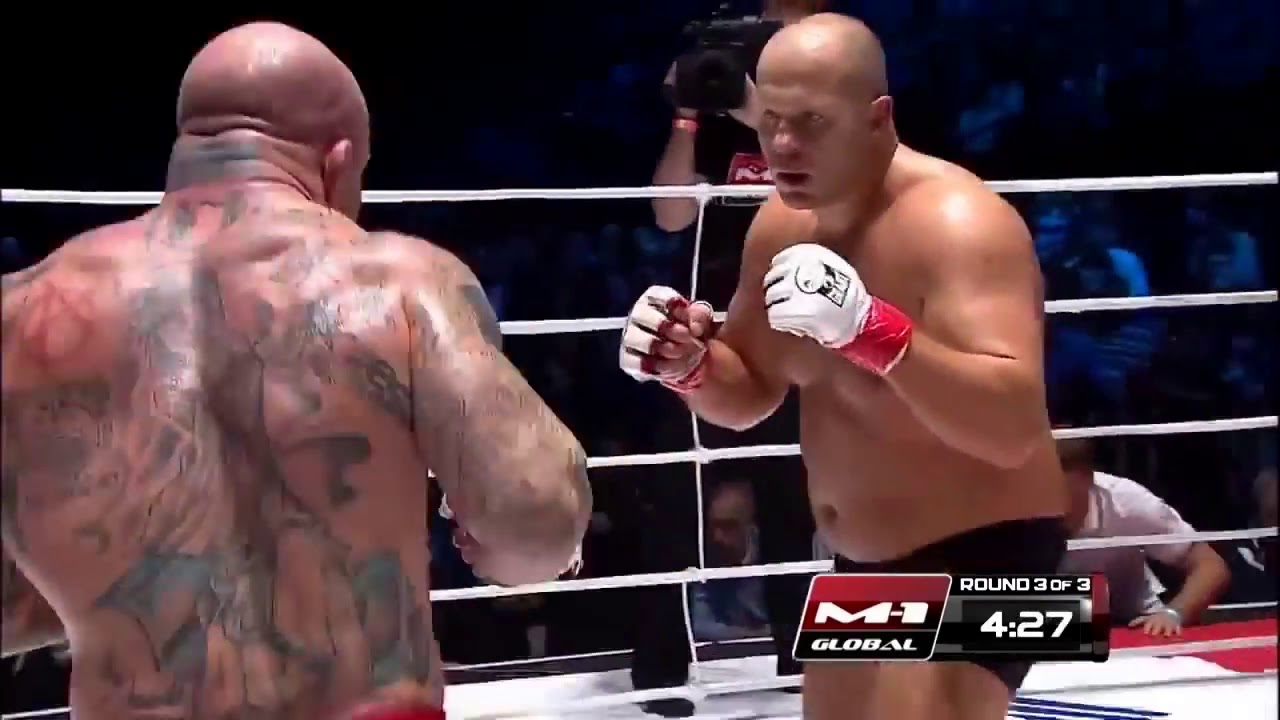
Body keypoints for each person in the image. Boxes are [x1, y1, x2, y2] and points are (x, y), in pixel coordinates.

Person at [0, 22, 590, 720]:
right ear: (339, 161)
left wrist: (123, 581)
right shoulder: (397, 280)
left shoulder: (21, 311)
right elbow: (536, 520)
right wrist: (501, 555)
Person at [621, 14, 1067, 720]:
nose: (783, 146)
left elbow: (1013, 428)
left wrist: (871, 332)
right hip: (861, 555)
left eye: (812, 123)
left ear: (877, 118)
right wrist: (687, 363)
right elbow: (752, 394)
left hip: (993, 549)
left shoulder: (959, 223)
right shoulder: (780, 223)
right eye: (771, 121)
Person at [1056, 438, 1232, 633]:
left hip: (1134, 623)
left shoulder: (1125, 501)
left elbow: (1211, 566)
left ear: (1088, 478)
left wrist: (1173, 613)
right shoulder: (1026, 504)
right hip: (1047, 622)